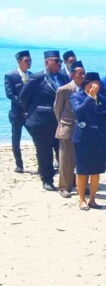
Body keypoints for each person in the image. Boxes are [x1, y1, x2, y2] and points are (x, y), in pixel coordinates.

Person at [19, 50, 70, 191]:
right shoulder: (37, 77)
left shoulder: (63, 77)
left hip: (60, 122)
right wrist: (34, 110)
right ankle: (47, 179)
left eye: (60, 61)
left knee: (63, 151)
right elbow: (23, 97)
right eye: (56, 61)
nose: (59, 63)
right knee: (44, 152)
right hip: (41, 122)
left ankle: (67, 179)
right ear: (46, 62)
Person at [70, 72, 106, 210]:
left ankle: (93, 199)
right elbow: (79, 112)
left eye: (97, 84)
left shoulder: (102, 98)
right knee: (82, 170)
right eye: (92, 84)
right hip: (82, 137)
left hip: (98, 137)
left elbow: (100, 116)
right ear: (85, 85)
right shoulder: (76, 96)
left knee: (96, 170)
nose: (95, 86)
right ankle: (81, 199)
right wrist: (89, 97)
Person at [53, 60, 85, 198]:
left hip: (83, 129)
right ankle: (64, 187)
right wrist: (64, 123)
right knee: (66, 159)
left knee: (82, 158)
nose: (83, 76)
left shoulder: (86, 88)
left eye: (84, 73)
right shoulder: (64, 89)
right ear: (72, 75)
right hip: (67, 127)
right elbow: (57, 109)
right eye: (80, 74)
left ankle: (81, 185)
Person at [4, 50, 32, 173]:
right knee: (16, 139)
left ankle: (42, 164)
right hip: (17, 113)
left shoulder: (32, 76)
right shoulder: (10, 75)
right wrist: (23, 104)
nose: (29, 63)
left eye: (30, 60)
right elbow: (10, 94)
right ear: (19, 61)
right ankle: (19, 164)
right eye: (26, 61)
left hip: (30, 114)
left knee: (38, 137)